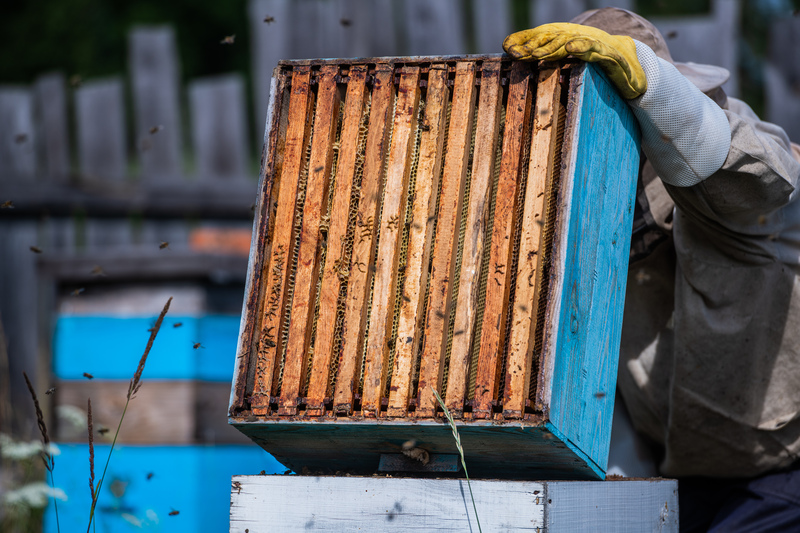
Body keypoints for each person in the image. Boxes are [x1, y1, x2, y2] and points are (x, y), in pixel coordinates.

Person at [504, 8, 800, 532]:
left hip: (780, 473)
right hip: (671, 474)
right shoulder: (570, 209)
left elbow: (757, 177)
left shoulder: (757, 181)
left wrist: (648, 85)